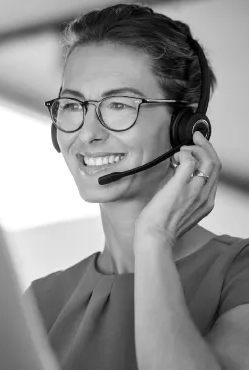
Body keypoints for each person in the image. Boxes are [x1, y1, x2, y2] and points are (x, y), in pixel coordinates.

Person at [25, 4, 249, 370]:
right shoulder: (38, 302)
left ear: (185, 124)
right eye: (73, 104)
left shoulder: (238, 273)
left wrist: (154, 240)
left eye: (118, 104)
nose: (88, 133)